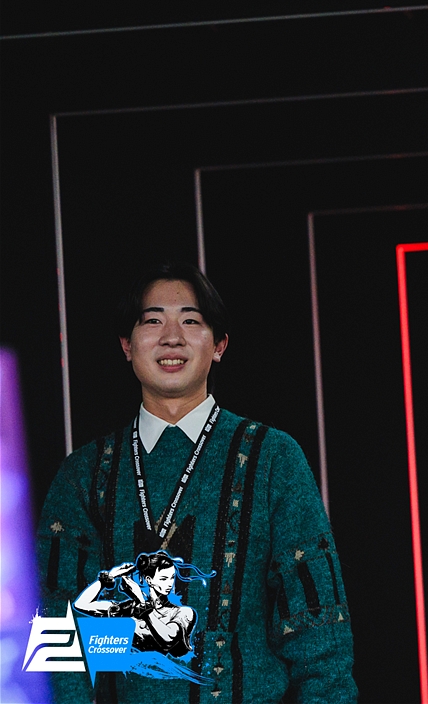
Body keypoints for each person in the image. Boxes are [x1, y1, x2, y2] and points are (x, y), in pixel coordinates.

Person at [36, 262, 356, 702]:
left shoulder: (272, 459)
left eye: (191, 320)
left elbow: (320, 639)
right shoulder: (84, 474)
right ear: (127, 345)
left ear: (219, 345)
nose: (172, 337)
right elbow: (58, 640)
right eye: (152, 321)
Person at [74, 551, 212, 658]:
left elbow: (168, 639)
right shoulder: (130, 608)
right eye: (164, 578)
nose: (170, 583)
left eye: (172, 577)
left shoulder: (184, 613)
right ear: (149, 580)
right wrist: (109, 577)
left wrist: (141, 600)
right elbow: (81, 604)